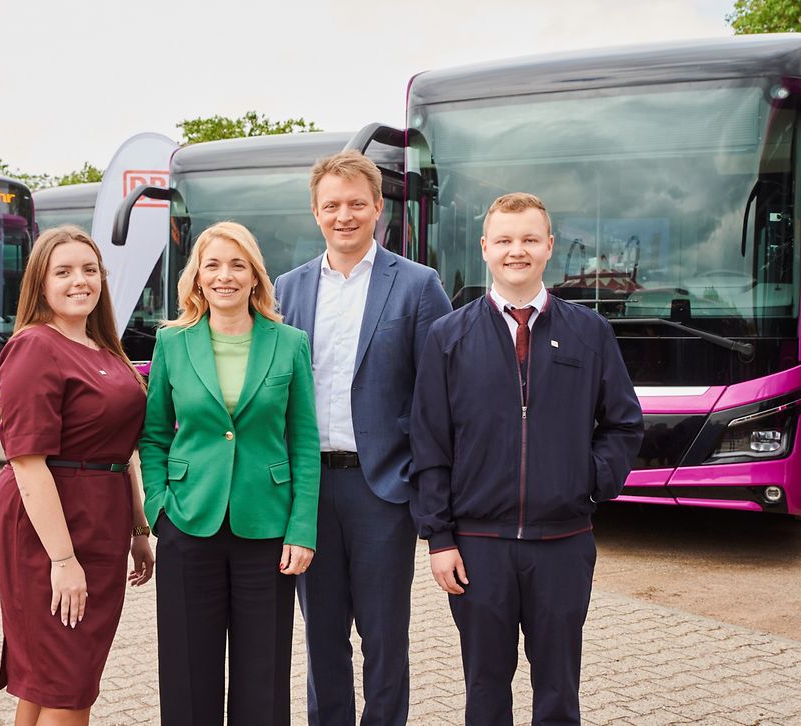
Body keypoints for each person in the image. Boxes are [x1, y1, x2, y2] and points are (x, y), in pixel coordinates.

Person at [409, 193, 644, 725]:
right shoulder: (448, 337)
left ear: (549, 247)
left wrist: (587, 482)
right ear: (485, 247)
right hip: (477, 548)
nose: (518, 251)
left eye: (530, 239)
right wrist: (439, 539)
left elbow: (624, 424)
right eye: (506, 240)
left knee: (559, 691)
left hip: (562, 544)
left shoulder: (590, 333)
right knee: (485, 689)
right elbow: (429, 442)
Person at [274, 150, 452, 726]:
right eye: (332, 205)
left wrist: (432, 497)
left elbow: (439, 399)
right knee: (321, 638)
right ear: (315, 212)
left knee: (384, 639)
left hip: (383, 492)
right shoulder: (287, 290)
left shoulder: (420, 286)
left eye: (356, 204)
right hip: (310, 493)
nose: (343, 215)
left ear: (379, 207)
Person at [139, 221, 320, 726]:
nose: (225, 276)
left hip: (266, 530)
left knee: (262, 678)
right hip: (188, 524)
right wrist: (159, 508)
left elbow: (304, 443)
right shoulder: (172, 343)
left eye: (237, 265)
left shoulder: (290, 343)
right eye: (212, 265)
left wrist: (302, 528)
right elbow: (153, 435)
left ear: (256, 277)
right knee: (186, 674)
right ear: (196, 277)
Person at [0, 225, 154, 726]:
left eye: (89, 270)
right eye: (63, 272)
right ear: (40, 283)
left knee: (54, 673)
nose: (79, 281)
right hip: (51, 522)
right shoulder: (35, 346)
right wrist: (63, 560)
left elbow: (122, 450)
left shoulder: (106, 350)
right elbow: (26, 460)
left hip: (102, 519)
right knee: (70, 677)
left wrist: (138, 530)